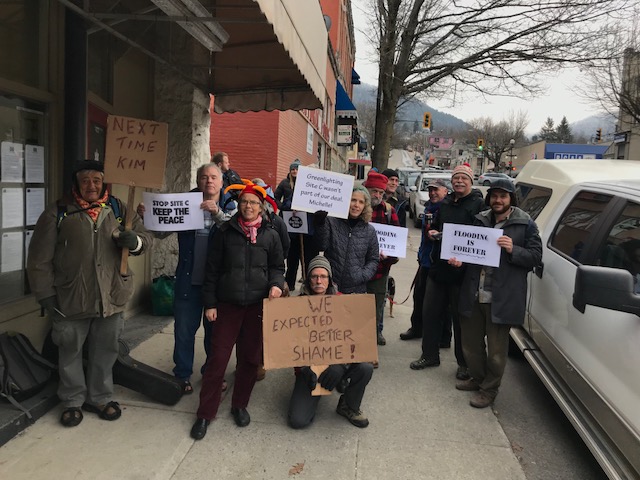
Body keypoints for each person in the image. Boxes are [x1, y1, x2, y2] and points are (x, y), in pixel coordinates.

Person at [27, 160, 152, 427]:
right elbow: (38, 259)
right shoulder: (58, 212)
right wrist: (46, 295)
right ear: (77, 183)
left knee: (105, 350)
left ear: (103, 183)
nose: (91, 186)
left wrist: (136, 242)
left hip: (112, 295)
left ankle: (100, 397)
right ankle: (72, 400)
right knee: (70, 350)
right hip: (71, 297)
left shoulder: (118, 208)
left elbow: (145, 237)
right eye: (85, 180)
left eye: (96, 180)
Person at [191, 180, 285, 440]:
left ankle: (239, 404)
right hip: (227, 305)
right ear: (238, 205)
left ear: (262, 207)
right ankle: (205, 413)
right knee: (218, 360)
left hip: (256, 307)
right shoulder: (225, 232)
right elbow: (211, 270)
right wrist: (210, 303)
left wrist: (276, 285)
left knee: (250, 360)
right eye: (244, 202)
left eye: (253, 202)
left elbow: (278, 267)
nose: (248, 206)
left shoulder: (270, 235)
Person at [136, 163, 235, 394]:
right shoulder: (184, 204)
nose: (208, 181)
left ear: (221, 182)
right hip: (187, 279)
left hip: (217, 284)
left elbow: (236, 232)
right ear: (198, 181)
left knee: (215, 333)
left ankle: (212, 373)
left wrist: (217, 213)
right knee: (183, 330)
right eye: (203, 177)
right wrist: (148, 218)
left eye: (213, 177)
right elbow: (161, 233)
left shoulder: (231, 204)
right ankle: (182, 375)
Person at [451, 178, 542, 408]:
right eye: (494, 196)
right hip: (474, 292)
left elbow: (535, 257)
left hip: (501, 297)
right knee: (470, 345)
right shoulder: (480, 220)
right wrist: (459, 260)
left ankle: (489, 390)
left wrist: (513, 249)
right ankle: (478, 378)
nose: (498, 200)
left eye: (503, 196)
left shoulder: (525, 224)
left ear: (511, 199)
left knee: (496, 352)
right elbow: (469, 249)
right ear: (489, 198)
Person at [410, 163, 486, 379]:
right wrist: (434, 232)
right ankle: (429, 355)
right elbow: (441, 228)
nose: (459, 181)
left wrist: (464, 260)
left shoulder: (479, 205)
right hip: (439, 267)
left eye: (464, 178)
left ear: (471, 181)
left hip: (462, 272)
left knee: (460, 319)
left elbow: (479, 239)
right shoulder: (445, 203)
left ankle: (464, 364)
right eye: (456, 178)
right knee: (430, 312)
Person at [287, 255, 373, 429]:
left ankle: (348, 405)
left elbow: (355, 339)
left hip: (337, 364)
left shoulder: (342, 302)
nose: (319, 280)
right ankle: (316, 386)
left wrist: (341, 365)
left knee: (365, 367)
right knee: (298, 421)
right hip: (311, 369)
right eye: (314, 276)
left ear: (329, 279)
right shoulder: (296, 306)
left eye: (323, 276)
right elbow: (291, 346)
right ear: (308, 279)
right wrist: (304, 369)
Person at [400, 179, 450, 342]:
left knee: (439, 304)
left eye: (437, 190)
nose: (433, 193)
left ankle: (443, 337)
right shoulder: (428, 208)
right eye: (431, 190)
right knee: (419, 297)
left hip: (439, 264)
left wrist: (437, 236)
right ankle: (416, 328)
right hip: (424, 261)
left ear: (445, 191)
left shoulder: (447, 209)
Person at [313, 185, 379, 294]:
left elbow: (373, 259)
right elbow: (321, 246)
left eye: (361, 202)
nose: (356, 205)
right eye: (353, 200)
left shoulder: (369, 231)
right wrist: (320, 225)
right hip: (331, 286)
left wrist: (362, 276)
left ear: (365, 206)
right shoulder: (331, 222)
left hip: (356, 289)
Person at [363, 171, 400, 346]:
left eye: (380, 192)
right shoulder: (355, 208)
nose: (377, 195)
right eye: (373, 191)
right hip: (356, 269)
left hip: (379, 271)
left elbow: (396, 244)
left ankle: (373, 338)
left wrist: (388, 257)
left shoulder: (388, 211)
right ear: (366, 189)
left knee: (376, 308)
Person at [275, 159, 320, 290]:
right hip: (295, 229)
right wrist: (289, 207)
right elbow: (287, 202)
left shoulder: (321, 190)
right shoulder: (298, 186)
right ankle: (289, 286)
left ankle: (309, 287)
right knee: (292, 259)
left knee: (309, 261)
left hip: (311, 231)